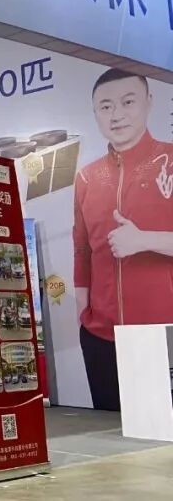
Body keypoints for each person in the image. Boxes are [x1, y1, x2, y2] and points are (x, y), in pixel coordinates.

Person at [74, 69, 173, 410]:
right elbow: (82, 250)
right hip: (102, 337)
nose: (116, 114)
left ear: (148, 102)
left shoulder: (170, 161)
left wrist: (144, 240)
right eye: (106, 106)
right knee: (109, 434)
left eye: (128, 102)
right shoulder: (87, 177)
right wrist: (84, 314)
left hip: (164, 333)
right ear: (95, 113)